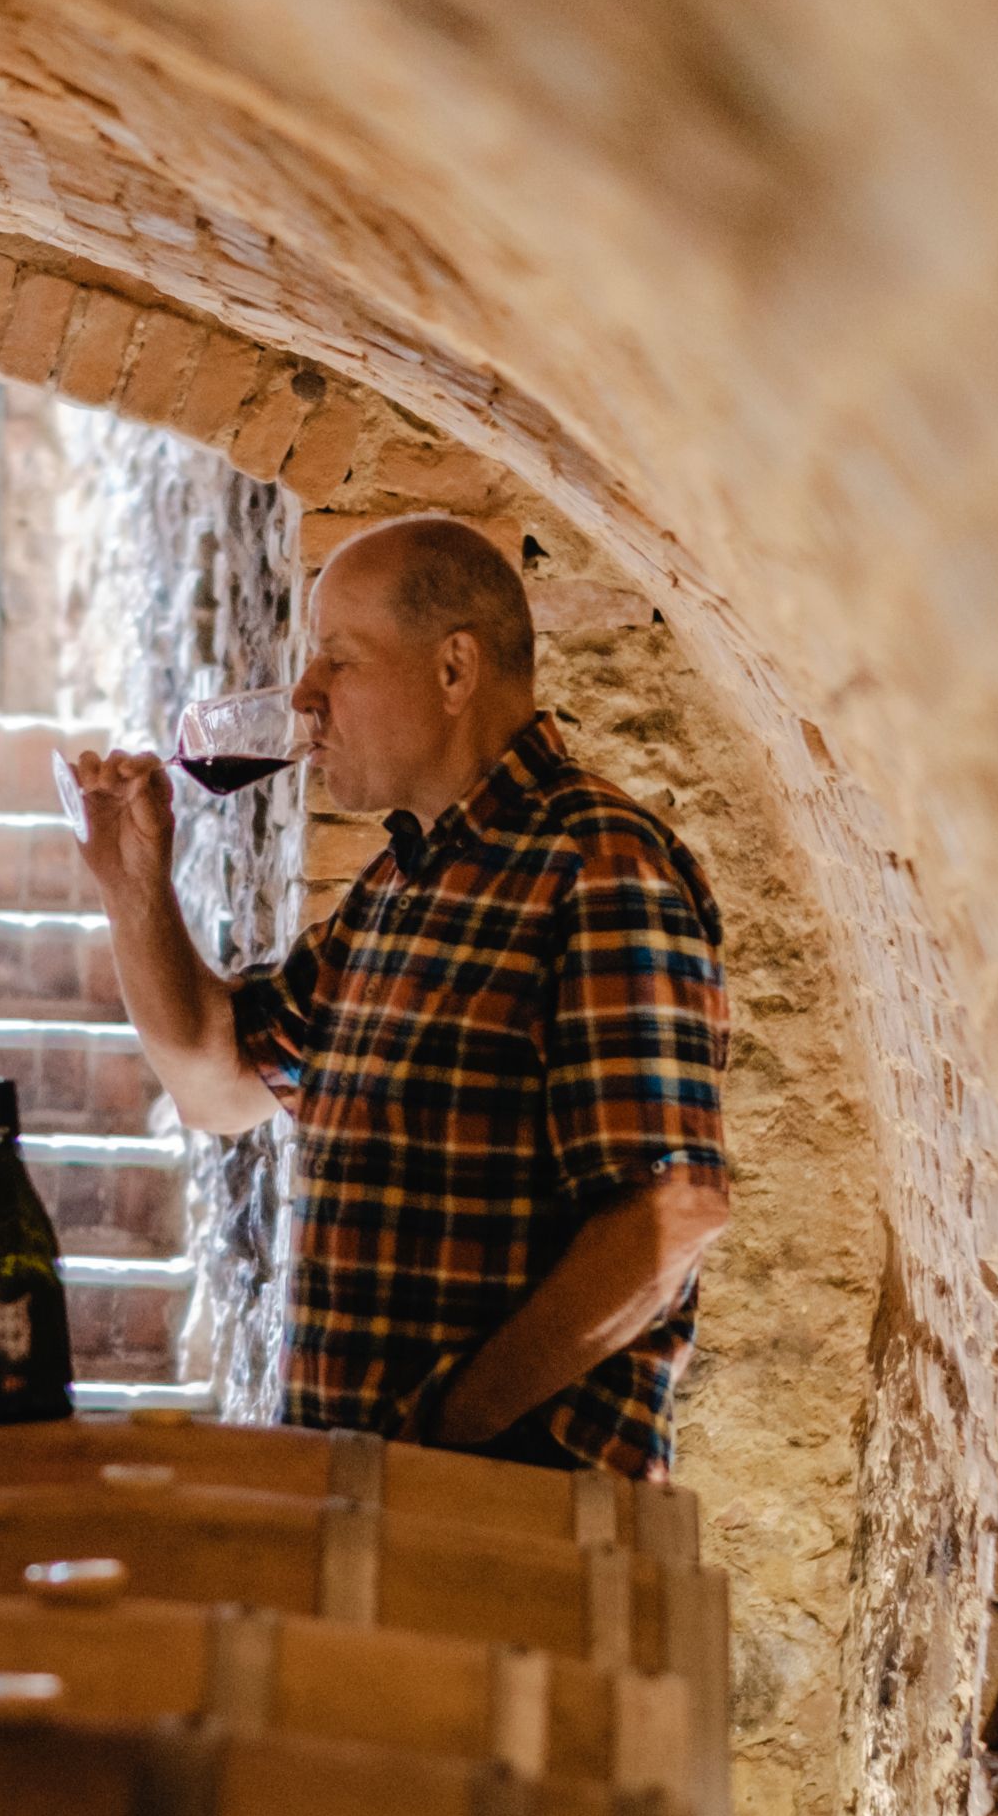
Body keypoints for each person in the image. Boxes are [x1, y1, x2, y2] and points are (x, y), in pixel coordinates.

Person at [72, 516, 731, 1476]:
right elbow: (216, 1084)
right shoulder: (392, 895)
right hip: (379, 1516)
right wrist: (133, 888)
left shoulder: (595, 866)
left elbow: (667, 1213)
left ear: (454, 670)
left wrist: (449, 1431)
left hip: (510, 1529)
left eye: (338, 660)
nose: (304, 696)